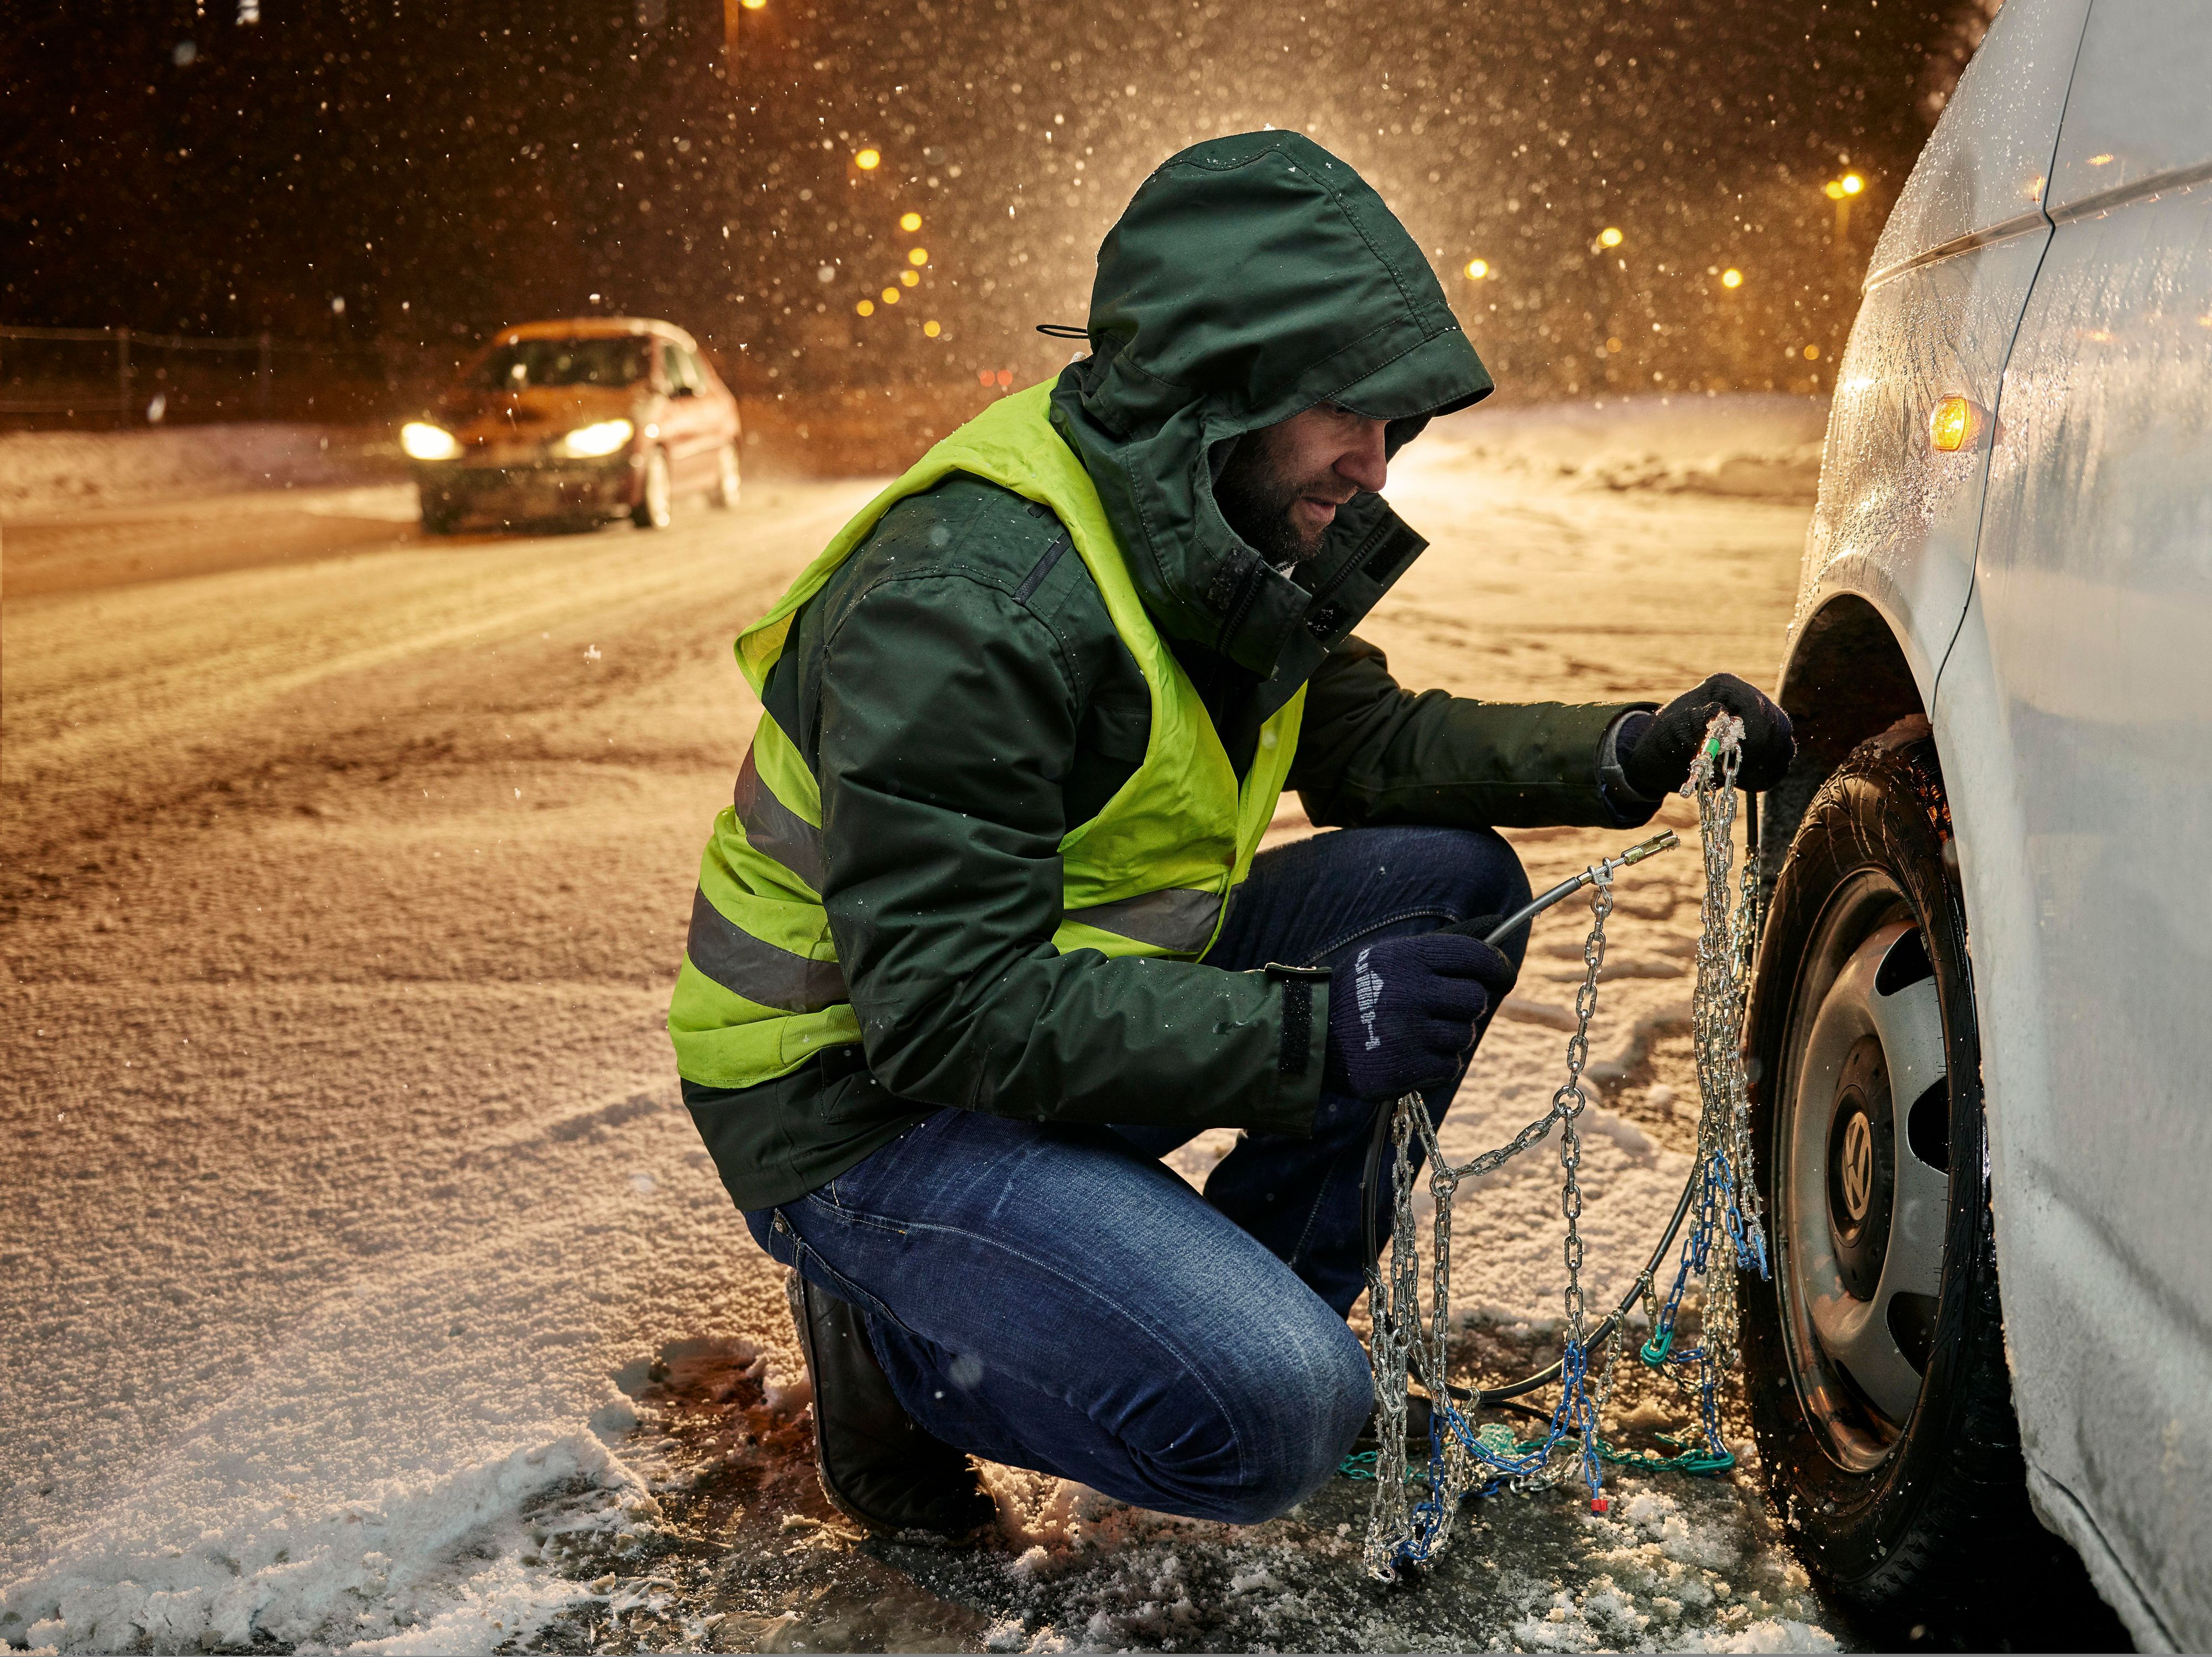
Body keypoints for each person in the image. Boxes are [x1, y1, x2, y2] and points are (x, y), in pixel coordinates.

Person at [668, 130, 1793, 1540]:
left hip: (1042, 1017)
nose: (1373, 465)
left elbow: (1372, 747)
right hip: (858, 1098)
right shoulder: (970, 602)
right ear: (1220, 394)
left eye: (1394, 423)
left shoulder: (1222, 526)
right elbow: (944, 1008)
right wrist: (1311, 1033)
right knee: (1271, 1418)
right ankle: (897, 1345)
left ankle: (1200, 1301)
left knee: (1440, 887)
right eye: (1345, 414)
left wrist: (1625, 747)